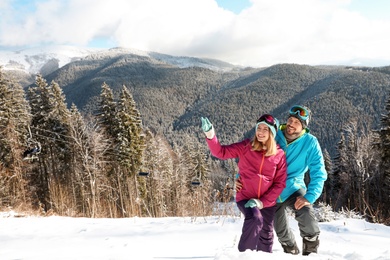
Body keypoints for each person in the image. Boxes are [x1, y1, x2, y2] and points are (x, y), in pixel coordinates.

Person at [236, 105, 327, 255]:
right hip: (271, 190)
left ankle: (310, 250)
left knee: (305, 212)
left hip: (293, 186)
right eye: (290, 120)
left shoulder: (310, 143)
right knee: (279, 227)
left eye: (297, 122)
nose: (291, 124)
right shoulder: (275, 135)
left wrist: (309, 197)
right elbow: (251, 157)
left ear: (303, 126)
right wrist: (239, 178)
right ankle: (290, 250)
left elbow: (319, 173)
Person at [201, 114, 287, 253]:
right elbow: (221, 152)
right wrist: (210, 135)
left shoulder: (279, 154)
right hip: (246, 198)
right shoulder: (247, 146)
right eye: (259, 128)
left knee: (266, 236)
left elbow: (280, 183)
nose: (261, 132)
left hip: (267, 202)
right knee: (255, 218)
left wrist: (262, 202)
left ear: (272, 133)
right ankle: (244, 255)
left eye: (266, 129)